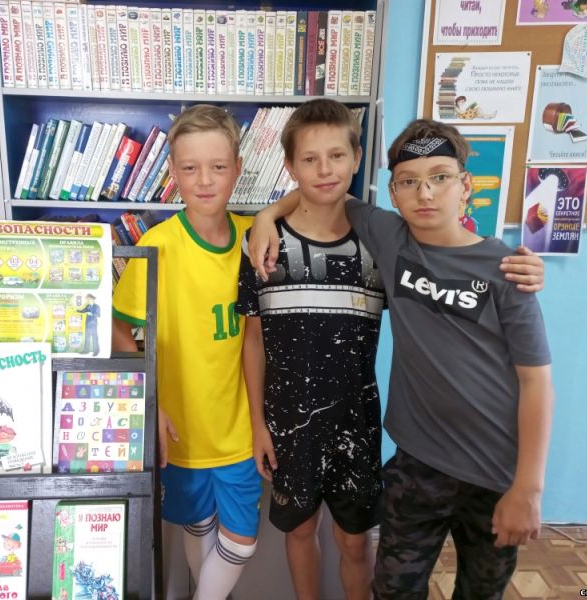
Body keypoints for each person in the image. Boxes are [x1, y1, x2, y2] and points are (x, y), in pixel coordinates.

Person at [251, 115, 553, 599]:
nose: (425, 193)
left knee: (481, 591)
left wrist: (529, 488)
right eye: (409, 182)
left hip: (494, 470)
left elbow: (537, 382)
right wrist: (265, 216)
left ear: (465, 186)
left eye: (440, 178)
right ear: (393, 194)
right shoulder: (390, 238)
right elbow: (325, 191)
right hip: (417, 465)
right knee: (393, 589)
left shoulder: (507, 271)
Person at [237, 98, 384, 600]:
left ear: (357, 157)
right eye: (310, 159)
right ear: (290, 166)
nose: (325, 170)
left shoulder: (379, 243)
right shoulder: (263, 244)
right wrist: (258, 424)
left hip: (357, 424)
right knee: (300, 531)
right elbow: (253, 339)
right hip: (287, 423)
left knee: (355, 541)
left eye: (337, 155)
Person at [112, 104, 260, 600]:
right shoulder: (157, 246)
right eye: (191, 168)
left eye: (218, 166)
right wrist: (148, 401)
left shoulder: (255, 236)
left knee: (242, 539)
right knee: (198, 527)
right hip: (180, 430)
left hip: (239, 429)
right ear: (172, 172)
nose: (205, 180)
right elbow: (116, 326)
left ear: (237, 169)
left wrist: (273, 214)